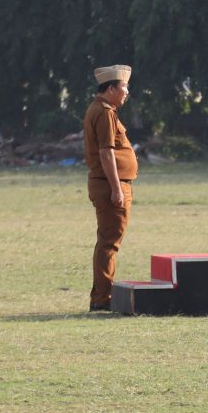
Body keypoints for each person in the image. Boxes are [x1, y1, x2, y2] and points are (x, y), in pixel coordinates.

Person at [83, 65, 138, 311]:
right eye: (124, 87)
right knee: (109, 243)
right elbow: (106, 153)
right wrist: (117, 189)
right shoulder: (104, 112)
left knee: (108, 241)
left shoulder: (101, 110)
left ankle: (102, 295)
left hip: (107, 183)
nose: (127, 91)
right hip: (109, 185)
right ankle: (102, 298)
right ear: (111, 88)